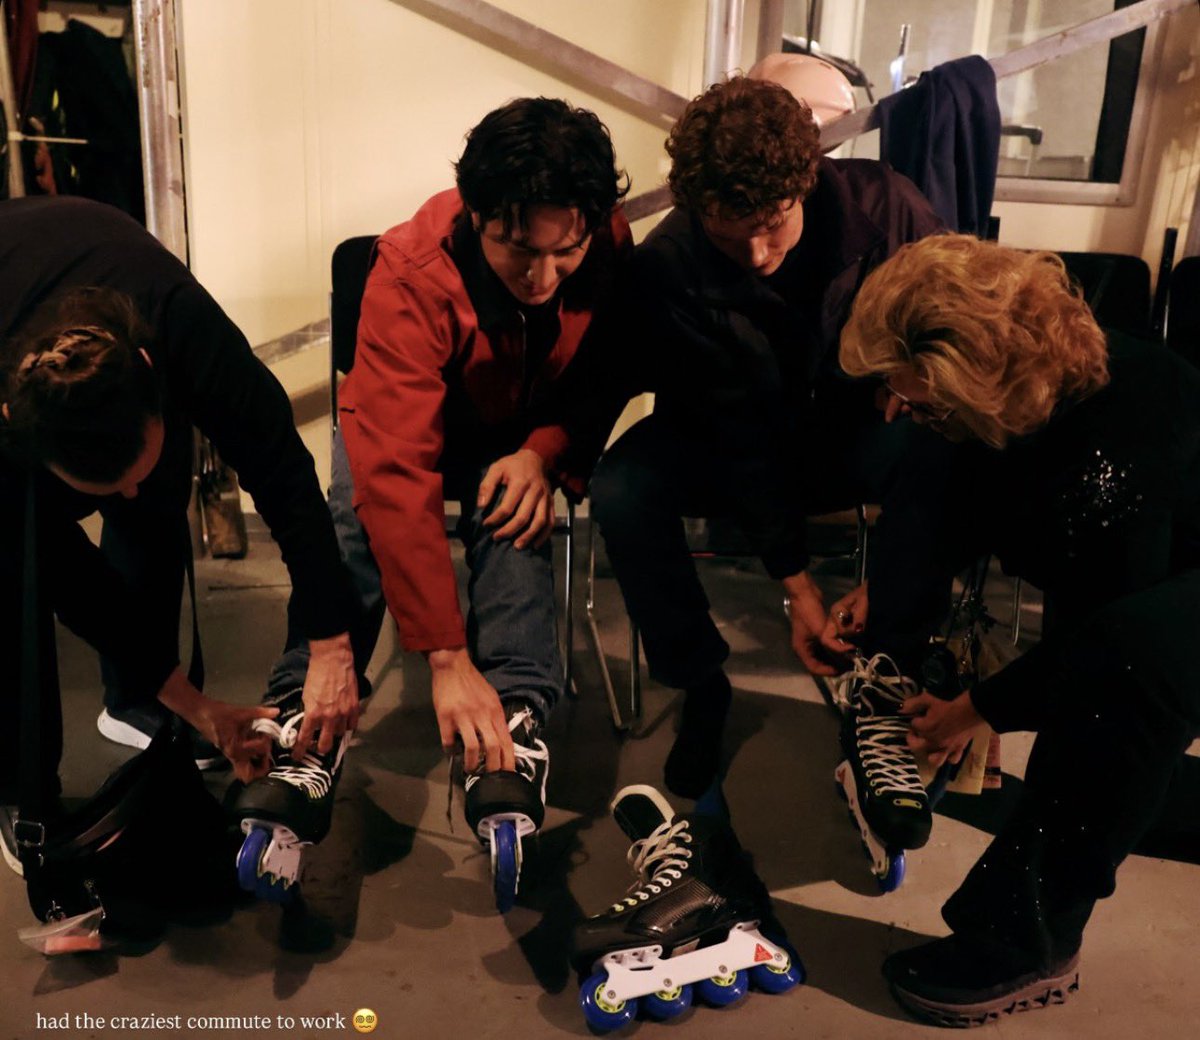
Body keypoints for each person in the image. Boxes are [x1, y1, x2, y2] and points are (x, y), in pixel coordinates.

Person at [250, 97, 631, 903]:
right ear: (476, 215)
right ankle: (304, 716)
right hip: (409, 416)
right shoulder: (408, 270)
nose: (543, 278)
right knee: (355, 516)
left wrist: (544, 452)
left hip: (518, 428)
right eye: (519, 251)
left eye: (564, 254)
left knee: (513, 514)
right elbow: (395, 473)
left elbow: (606, 370)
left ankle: (514, 719)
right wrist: (446, 660)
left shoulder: (604, 235)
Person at [836, 233, 1200, 1025]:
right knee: (933, 454)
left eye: (917, 394)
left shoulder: (1120, 441)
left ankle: (1030, 944)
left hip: (1164, 599)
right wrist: (890, 599)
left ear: (979, 377)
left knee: (1124, 687)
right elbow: (962, 499)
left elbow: (1098, 642)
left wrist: (979, 709)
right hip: (1121, 561)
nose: (894, 404)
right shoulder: (1019, 395)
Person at [587, 76, 954, 825]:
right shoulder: (669, 265)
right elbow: (736, 434)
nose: (756, 255)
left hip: (856, 430)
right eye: (730, 235)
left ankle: (887, 681)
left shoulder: (889, 210)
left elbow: (956, 322)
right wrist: (798, 588)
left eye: (771, 225)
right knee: (622, 487)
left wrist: (917, 375)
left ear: (805, 181)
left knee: (938, 450)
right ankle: (701, 683)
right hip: (729, 441)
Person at [0, 197, 362, 871]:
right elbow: (70, 581)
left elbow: (284, 475)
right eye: (106, 488)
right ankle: (22, 791)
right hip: (12, 311)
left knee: (155, 504)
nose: (127, 496)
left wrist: (331, 644)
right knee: (17, 577)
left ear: (152, 371)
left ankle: (138, 703)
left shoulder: (181, 325)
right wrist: (198, 706)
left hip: (102, 264)